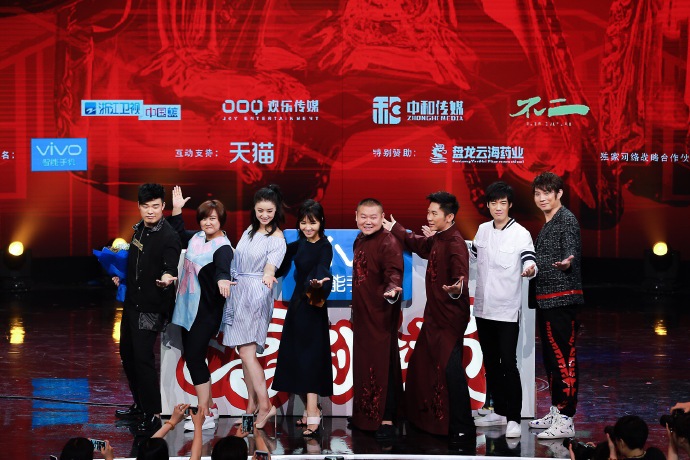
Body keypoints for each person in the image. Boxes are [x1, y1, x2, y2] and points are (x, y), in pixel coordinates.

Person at [383, 191, 474, 449]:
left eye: (434, 213)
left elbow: (461, 275)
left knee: (450, 370)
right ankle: (427, 421)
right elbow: (421, 245)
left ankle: (462, 427)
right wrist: (397, 228)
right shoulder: (439, 238)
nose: (429, 217)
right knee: (421, 366)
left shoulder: (455, 242)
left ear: (450, 216)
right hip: (435, 316)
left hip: (450, 318)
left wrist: (456, 288)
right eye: (428, 212)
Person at [113, 183, 182, 435]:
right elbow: (136, 261)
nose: (150, 211)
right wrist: (122, 275)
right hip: (132, 303)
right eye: (145, 206)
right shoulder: (139, 229)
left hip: (151, 307)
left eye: (155, 206)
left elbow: (169, 267)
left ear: (163, 206)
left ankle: (153, 413)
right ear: (139, 207)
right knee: (128, 355)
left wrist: (166, 278)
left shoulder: (169, 236)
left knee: (143, 359)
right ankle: (140, 405)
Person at [470, 181, 537, 438]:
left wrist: (530, 269)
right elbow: (472, 255)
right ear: (488, 205)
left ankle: (514, 418)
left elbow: (529, 258)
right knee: (491, 362)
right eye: (493, 203)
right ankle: (497, 410)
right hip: (483, 309)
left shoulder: (520, 233)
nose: (498, 207)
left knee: (508, 363)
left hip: (507, 310)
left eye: (502, 203)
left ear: (510, 205)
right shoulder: (482, 230)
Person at [221, 184, 287, 429]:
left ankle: (266, 405)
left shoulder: (278, 238)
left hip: (257, 294)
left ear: (276, 210)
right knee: (244, 353)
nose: (264, 215)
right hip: (239, 292)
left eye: (269, 211)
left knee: (248, 353)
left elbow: (270, 268)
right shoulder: (249, 230)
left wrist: (268, 276)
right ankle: (251, 406)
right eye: (260, 210)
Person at [169, 186, 235, 431]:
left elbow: (223, 269)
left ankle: (204, 413)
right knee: (194, 358)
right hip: (187, 309)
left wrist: (223, 280)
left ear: (221, 221)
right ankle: (210, 407)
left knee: (195, 359)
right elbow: (177, 235)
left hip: (205, 312)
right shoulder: (196, 238)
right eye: (205, 218)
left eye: (213, 219)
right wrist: (177, 210)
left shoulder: (223, 247)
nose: (208, 222)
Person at [528, 172, 584, 439]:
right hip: (547, 300)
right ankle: (556, 410)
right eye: (537, 194)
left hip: (562, 299)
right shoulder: (549, 221)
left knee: (564, 359)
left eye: (547, 193)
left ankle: (566, 418)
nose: (542, 198)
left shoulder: (566, 219)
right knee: (551, 359)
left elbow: (571, 250)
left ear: (559, 193)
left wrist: (567, 262)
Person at [272, 200, 333, 437]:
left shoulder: (325, 246)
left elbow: (322, 269)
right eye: (304, 222)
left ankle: (313, 411)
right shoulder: (297, 245)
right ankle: (310, 409)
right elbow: (279, 266)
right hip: (297, 307)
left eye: (313, 223)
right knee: (297, 358)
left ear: (321, 223)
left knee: (311, 359)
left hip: (314, 306)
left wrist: (317, 284)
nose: (308, 227)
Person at [350, 198, 404, 440]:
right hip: (363, 314)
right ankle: (366, 415)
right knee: (365, 364)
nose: (368, 221)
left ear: (382, 218)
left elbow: (394, 273)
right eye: (363, 216)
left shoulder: (388, 241)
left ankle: (386, 417)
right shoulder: (359, 240)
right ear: (356, 216)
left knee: (383, 363)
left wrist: (392, 289)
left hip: (381, 313)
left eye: (373, 217)